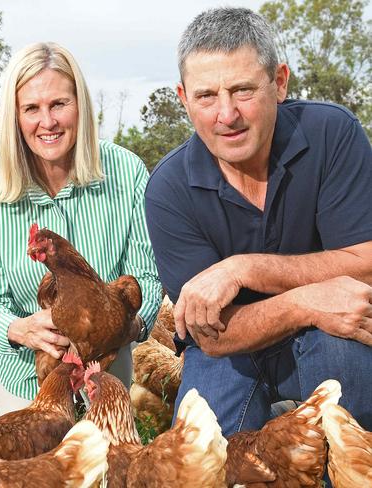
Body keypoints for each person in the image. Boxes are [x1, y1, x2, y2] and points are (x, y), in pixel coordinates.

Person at [145, 6, 372, 439]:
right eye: (206, 96)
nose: (226, 114)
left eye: (243, 90)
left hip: (329, 332)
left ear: (279, 82)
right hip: (229, 348)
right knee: (199, 454)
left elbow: (366, 262)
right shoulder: (168, 188)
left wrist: (245, 268)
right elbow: (209, 335)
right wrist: (303, 300)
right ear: (183, 98)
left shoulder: (332, 134)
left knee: (348, 388)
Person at [0, 42, 162, 417]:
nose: (48, 121)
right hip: (25, 369)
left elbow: (147, 279)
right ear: (15, 117)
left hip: (103, 364)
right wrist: (22, 329)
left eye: (59, 104)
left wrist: (123, 327)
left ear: (80, 105)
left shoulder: (126, 172)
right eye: (31, 109)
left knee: (110, 470)